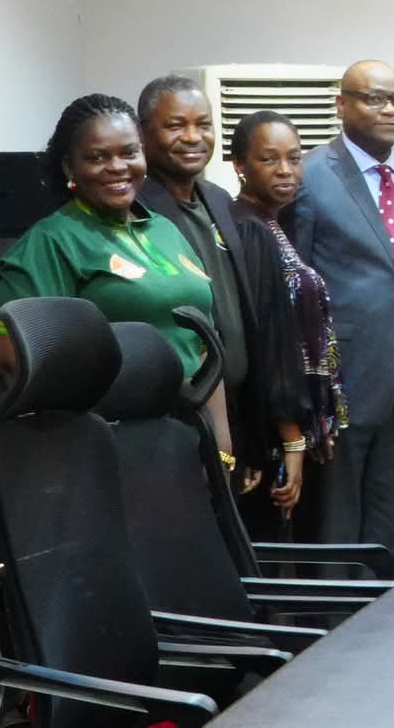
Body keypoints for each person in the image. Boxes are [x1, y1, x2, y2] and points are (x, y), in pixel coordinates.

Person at [0, 94, 224, 440]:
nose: (117, 166)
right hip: (110, 436)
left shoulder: (165, 230)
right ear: (70, 168)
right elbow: (3, 357)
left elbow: (204, 347)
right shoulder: (52, 241)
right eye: (97, 157)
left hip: (189, 430)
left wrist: (221, 445)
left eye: (129, 152)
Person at [286, 61, 394, 575]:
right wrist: (303, 397)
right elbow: (292, 290)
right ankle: (334, 626)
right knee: (335, 534)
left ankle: (391, 622)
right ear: (341, 105)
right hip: (339, 387)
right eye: (375, 98)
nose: (390, 110)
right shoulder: (307, 174)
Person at [136, 75, 296, 499]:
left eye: (203, 124)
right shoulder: (136, 210)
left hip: (237, 415)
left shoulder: (219, 200)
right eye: (176, 125)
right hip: (178, 418)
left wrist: (256, 436)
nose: (193, 137)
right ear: (143, 133)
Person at [228, 110, 349, 530]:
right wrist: (292, 438)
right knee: (279, 551)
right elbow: (268, 345)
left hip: (297, 428)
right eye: (269, 159)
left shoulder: (272, 225)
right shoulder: (247, 231)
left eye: (294, 159)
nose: (285, 170)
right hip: (274, 436)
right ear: (239, 165)